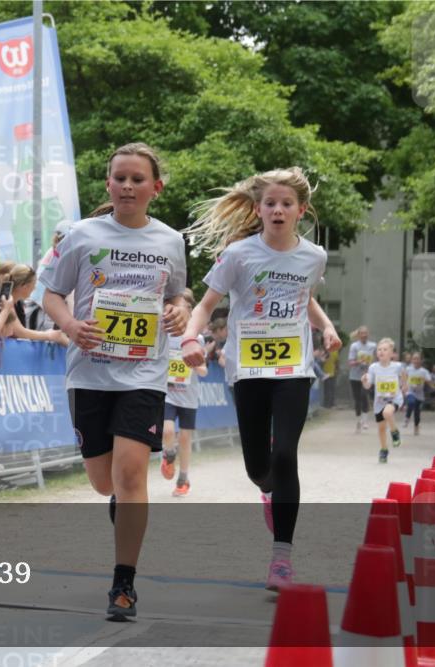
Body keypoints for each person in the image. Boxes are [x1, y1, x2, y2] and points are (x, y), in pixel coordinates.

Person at [40, 143, 189, 621]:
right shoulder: (81, 235)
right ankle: (122, 506)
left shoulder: (170, 240)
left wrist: (180, 309)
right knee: (104, 480)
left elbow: (179, 292)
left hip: (145, 372)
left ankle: (123, 583)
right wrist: (70, 325)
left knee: (130, 475)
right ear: (108, 184)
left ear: (155, 188)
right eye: (119, 178)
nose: (127, 186)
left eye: (137, 179)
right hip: (89, 372)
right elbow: (51, 293)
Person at [182, 167, 340, 592]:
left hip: (293, 369)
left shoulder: (314, 256)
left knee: (285, 454)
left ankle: (282, 559)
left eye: (287, 203)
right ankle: (268, 490)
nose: (278, 210)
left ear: (301, 211)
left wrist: (325, 327)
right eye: (270, 203)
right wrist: (189, 338)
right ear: (258, 209)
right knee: (259, 469)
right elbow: (206, 304)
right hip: (249, 369)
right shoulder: (238, 255)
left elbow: (304, 297)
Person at [159, 288, 207, 496]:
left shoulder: (198, 338)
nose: (182, 311)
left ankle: (183, 478)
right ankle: (169, 455)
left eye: (186, 307)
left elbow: (204, 370)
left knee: (186, 438)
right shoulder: (164, 334)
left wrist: (194, 365)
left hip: (188, 395)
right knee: (168, 431)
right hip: (168, 392)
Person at [0, 264, 68, 346]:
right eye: (33, 285)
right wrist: (49, 335)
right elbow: (20, 332)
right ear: (24, 286)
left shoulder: (16, 303)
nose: (34, 288)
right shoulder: (7, 301)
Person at [362, 337, 406, 462]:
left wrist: (404, 385)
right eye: (379, 349)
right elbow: (368, 386)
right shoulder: (373, 367)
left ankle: (394, 432)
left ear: (392, 353)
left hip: (394, 399)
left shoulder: (397, 366)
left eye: (385, 349)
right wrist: (364, 381)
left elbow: (404, 375)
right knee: (381, 428)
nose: (381, 351)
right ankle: (384, 450)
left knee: (387, 412)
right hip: (379, 402)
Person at [347, 326, 376, 433]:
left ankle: (365, 420)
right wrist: (359, 362)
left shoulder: (373, 346)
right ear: (359, 335)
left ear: (368, 334)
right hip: (355, 376)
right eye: (362, 333)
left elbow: (377, 360)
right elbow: (350, 362)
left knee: (364, 396)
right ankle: (358, 419)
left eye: (365, 333)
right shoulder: (354, 346)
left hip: (367, 375)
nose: (364, 335)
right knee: (357, 399)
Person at [403, 352, 431, 435]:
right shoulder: (408, 369)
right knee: (411, 402)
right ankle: (407, 418)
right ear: (412, 360)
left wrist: (425, 380)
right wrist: (403, 385)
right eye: (414, 359)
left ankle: (416, 427)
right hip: (410, 391)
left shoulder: (424, 371)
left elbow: (429, 381)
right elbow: (403, 377)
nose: (416, 360)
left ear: (421, 360)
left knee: (417, 412)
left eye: (417, 359)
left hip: (419, 393)